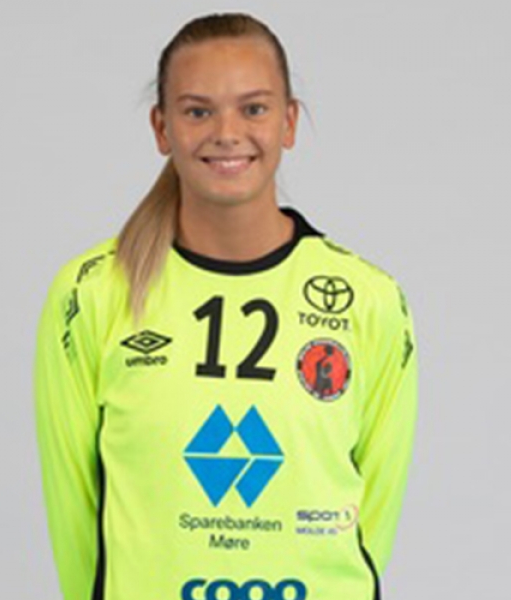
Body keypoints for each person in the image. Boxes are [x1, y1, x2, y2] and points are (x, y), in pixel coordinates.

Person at [33, 11, 418, 600]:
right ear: (162, 128)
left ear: (289, 122)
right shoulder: (92, 293)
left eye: (254, 108)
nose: (227, 132)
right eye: (197, 111)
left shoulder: (369, 300)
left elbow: (371, 527)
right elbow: (75, 520)